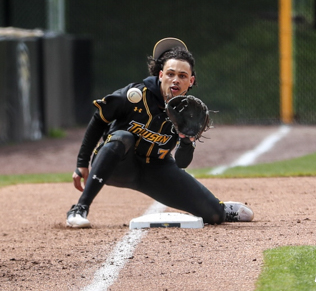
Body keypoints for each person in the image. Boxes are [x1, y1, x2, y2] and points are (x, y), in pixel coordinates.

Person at [65, 37, 254, 228]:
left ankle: (220, 208)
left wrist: (186, 140)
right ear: (161, 75)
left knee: (214, 215)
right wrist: (82, 163)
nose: (176, 80)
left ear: (191, 81)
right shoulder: (134, 96)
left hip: (156, 169)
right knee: (123, 137)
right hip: (118, 167)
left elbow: (181, 163)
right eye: (171, 74)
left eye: (182, 76)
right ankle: (80, 208)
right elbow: (99, 119)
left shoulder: (187, 111)